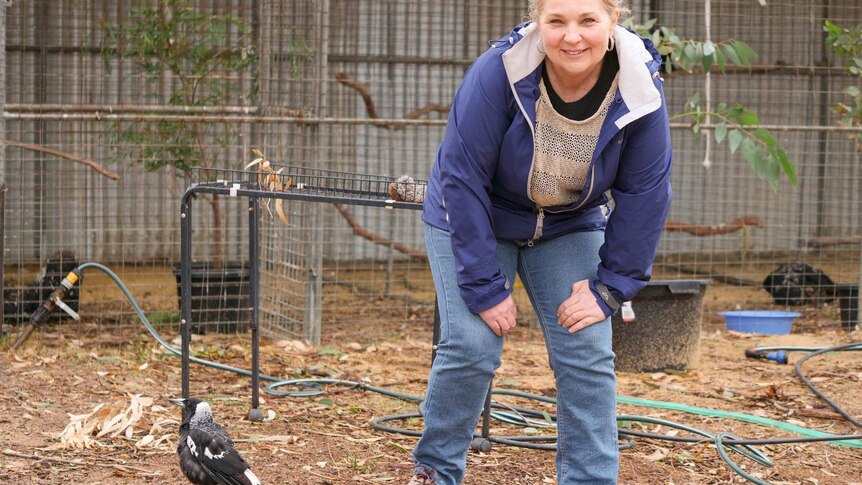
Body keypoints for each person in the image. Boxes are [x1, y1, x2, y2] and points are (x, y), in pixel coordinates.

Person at [410, 0, 672, 483]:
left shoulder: (639, 85)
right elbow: (461, 177)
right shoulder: (501, 70)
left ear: (613, 20)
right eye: (557, 21)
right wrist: (485, 285)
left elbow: (645, 192)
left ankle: (590, 478)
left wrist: (612, 286)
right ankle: (436, 469)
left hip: (566, 222)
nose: (573, 36)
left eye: (588, 20)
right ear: (538, 22)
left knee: (587, 348)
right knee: (472, 345)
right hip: (476, 218)